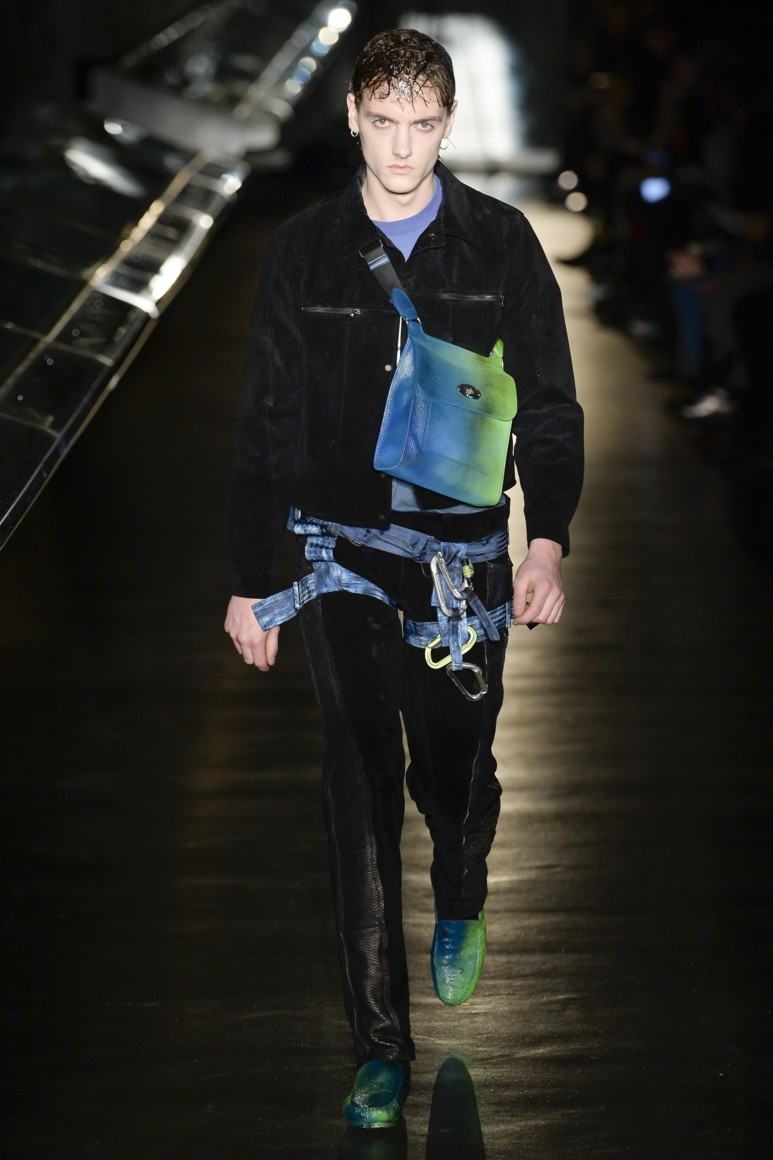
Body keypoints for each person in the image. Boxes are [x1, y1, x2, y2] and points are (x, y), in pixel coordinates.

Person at [224, 28, 583, 1130]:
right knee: (357, 784)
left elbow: (549, 401)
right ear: (351, 115)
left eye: (421, 125)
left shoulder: (500, 241)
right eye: (381, 121)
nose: (399, 147)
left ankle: (462, 883)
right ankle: (378, 1043)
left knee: (453, 769)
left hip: (462, 564)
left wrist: (546, 539)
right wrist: (248, 578)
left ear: (446, 122)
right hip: (337, 554)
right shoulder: (304, 249)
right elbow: (266, 416)